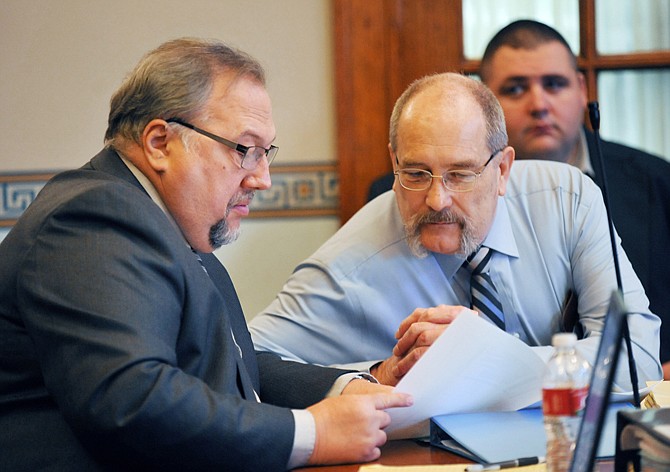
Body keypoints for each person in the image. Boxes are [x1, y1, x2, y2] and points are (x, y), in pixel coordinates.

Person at [0, 38, 413, 471]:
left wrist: (349, 389)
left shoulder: (165, 226)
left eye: (265, 153)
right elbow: (134, 399)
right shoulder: (94, 217)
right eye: (244, 150)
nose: (262, 179)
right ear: (159, 142)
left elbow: (236, 367)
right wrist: (312, 433)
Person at [249, 72, 662, 391]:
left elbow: (638, 355)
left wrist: (497, 362)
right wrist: (375, 375)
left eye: (460, 175)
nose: (436, 200)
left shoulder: (566, 201)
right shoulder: (350, 264)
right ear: (394, 163)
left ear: (502, 170)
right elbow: (245, 359)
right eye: (415, 173)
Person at [369, 19, 670, 377]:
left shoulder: (656, 182)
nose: (539, 104)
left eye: (554, 84)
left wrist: (645, 366)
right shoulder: (411, 195)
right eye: (515, 89)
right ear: (482, 101)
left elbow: (639, 342)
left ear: (581, 89)